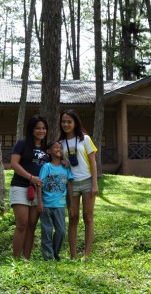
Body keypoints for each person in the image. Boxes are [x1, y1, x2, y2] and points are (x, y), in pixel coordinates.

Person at [59, 109, 98, 260]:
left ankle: (86, 254)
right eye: (64, 122)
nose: (66, 124)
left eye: (69, 122)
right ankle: (73, 255)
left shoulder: (85, 139)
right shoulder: (60, 143)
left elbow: (93, 162)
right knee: (73, 217)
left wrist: (95, 184)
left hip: (87, 181)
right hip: (71, 184)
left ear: (75, 123)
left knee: (88, 217)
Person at [9, 115, 49, 259]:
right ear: (31, 129)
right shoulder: (22, 143)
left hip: (38, 191)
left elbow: (54, 161)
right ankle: (16, 259)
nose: (41, 131)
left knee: (32, 225)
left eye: (43, 128)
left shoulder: (46, 148)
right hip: (20, 187)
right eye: (38, 128)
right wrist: (31, 177)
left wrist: (63, 161)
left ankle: (26, 258)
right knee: (22, 224)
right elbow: (14, 164)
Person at [37, 141, 74, 261]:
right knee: (47, 232)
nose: (59, 149)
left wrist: (71, 205)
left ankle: (54, 253)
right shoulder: (46, 167)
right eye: (55, 147)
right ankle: (48, 257)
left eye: (60, 147)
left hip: (60, 205)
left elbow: (69, 186)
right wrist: (40, 202)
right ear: (49, 151)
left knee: (61, 231)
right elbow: (40, 184)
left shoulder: (66, 167)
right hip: (46, 205)